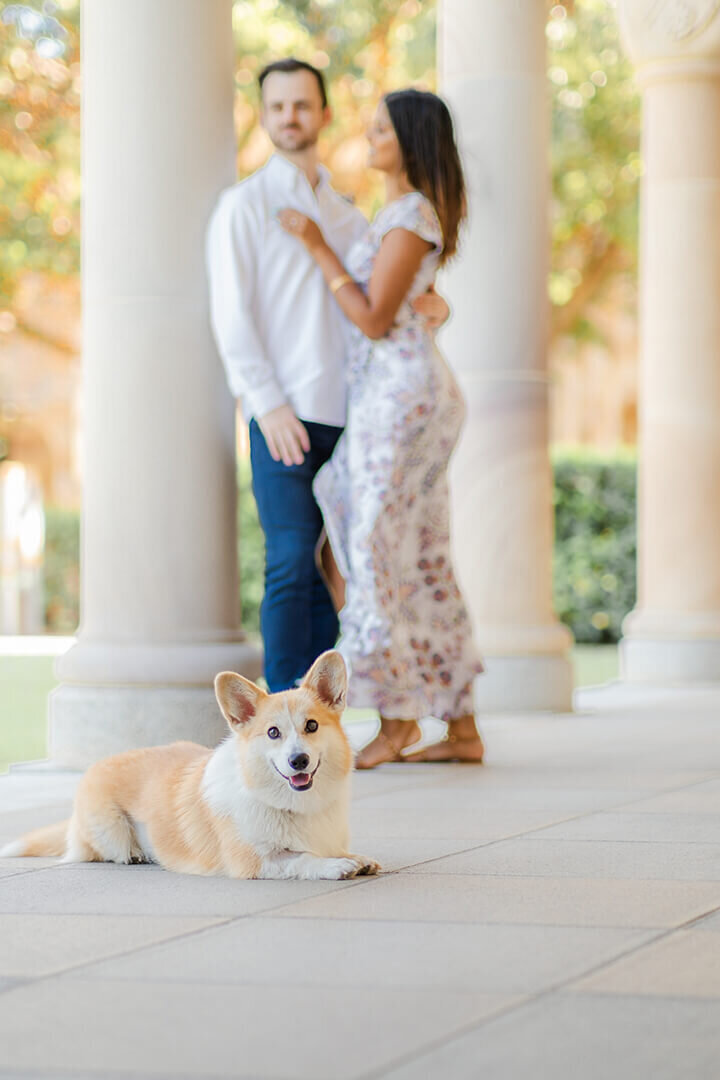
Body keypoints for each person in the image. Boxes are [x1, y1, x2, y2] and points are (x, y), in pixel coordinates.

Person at [206, 60, 447, 693]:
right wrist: (267, 405)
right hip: (283, 413)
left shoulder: (345, 215)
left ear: (324, 114)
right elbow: (232, 317)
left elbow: (379, 299)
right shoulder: (243, 207)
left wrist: (431, 304)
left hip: (354, 413)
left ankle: (321, 719)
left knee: (334, 565)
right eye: (278, 105)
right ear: (263, 115)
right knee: (289, 560)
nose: (290, 116)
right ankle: (280, 713)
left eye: (302, 105)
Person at [278, 88, 484, 768]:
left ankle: (398, 722)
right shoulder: (404, 215)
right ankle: (459, 728)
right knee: (417, 551)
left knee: (370, 547)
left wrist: (316, 248)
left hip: (400, 396)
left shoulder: (410, 215)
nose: (369, 136)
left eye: (382, 129)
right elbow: (403, 305)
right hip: (397, 389)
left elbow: (371, 316)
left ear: (412, 140)